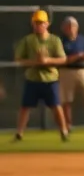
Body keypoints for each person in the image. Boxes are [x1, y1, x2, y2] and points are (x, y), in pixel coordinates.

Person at [13, 9, 69, 142]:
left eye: (41, 23)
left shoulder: (54, 40)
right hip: (33, 78)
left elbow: (63, 59)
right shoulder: (28, 40)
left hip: (50, 79)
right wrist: (34, 62)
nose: (38, 25)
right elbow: (18, 59)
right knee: (25, 107)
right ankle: (19, 133)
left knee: (56, 106)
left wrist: (47, 61)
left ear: (47, 24)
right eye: (36, 23)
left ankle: (63, 131)